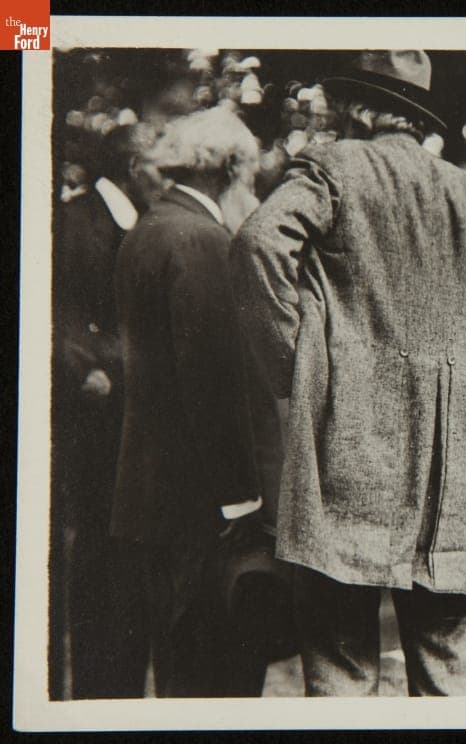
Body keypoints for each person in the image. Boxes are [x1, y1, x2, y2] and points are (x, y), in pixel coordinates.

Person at [232, 50, 466, 696]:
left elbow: (257, 243)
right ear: (418, 119)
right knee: (446, 665)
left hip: (346, 452)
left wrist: (296, 366)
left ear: (356, 108)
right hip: (457, 473)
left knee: (342, 659)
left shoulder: (332, 169)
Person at [111, 105, 278, 697]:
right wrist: (241, 497)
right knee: (219, 682)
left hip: (152, 498)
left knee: (180, 672)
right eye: (250, 175)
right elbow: (211, 382)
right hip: (201, 507)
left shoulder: (150, 227)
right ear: (230, 168)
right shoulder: (202, 239)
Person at [50, 124, 159, 699]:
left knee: (128, 549)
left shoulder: (137, 217)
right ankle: (99, 689)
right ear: (136, 164)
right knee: (99, 545)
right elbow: (57, 308)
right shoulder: (80, 220)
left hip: (134, 406)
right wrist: (82, 368)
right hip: (100, 406)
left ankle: (120, 684)